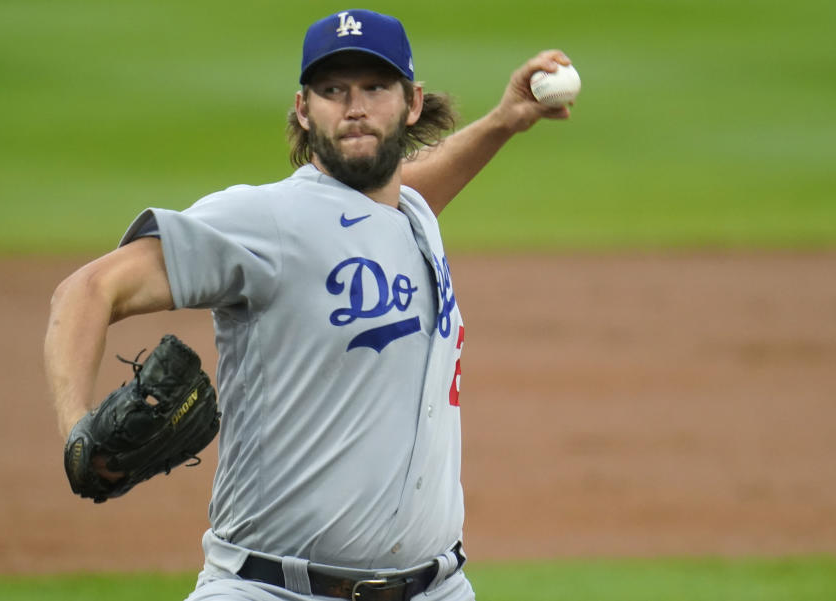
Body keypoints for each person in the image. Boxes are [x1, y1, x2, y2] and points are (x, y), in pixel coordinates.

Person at [44, 9, 572, 601]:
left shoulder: (412, 215)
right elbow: (88, 291)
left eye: (375, 88)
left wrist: (503, 121)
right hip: (270, 589)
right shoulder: (263, 220)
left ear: (412, 102)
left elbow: (401, 194)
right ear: (303, 108)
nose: (355, 107)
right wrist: (77, 433)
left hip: (438, 589)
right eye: (333, 90)